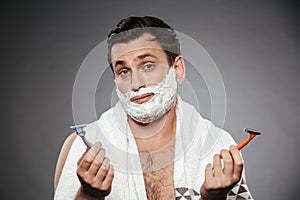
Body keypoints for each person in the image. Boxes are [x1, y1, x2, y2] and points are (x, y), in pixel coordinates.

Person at [54, 16, 253, 200]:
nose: (136, 83)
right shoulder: (80, 147)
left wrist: (213, 199)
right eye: (123, 71)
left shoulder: (218, 146)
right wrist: (88, 195)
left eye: (147, 65)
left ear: (178, 70)